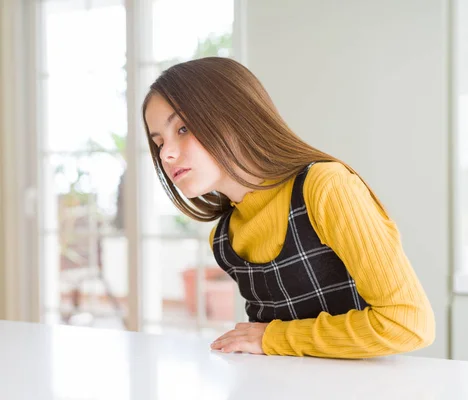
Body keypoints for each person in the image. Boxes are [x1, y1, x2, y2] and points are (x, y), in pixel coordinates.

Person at [142, 57, 435, 359]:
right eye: (159, 141)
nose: (167, 154)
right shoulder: (223, 238)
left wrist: (273, 337)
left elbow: (408, 323)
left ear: (236, 117)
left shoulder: (325, 187)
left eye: (183, 128)